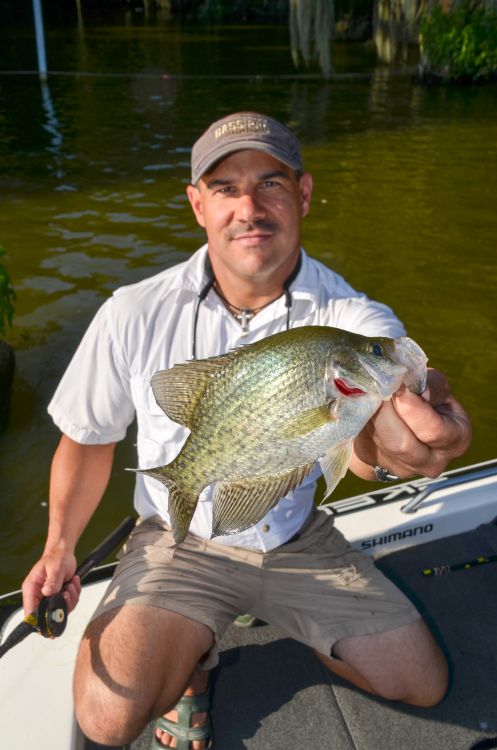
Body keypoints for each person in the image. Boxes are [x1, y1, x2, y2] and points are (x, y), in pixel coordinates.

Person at [22, 112, 471, 750]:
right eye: (226, 188)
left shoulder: (348, 316)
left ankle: (291, 624)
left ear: (304, 194)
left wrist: (415, 425)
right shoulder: (132, 312)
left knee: (421, 683)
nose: (249, 208)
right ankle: (192, 662)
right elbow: (88, 439)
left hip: (295, 534)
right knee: (106, 717)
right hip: (178, 537)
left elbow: (375, 429)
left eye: (271, 184)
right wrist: (59, 546)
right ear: (197, 204)